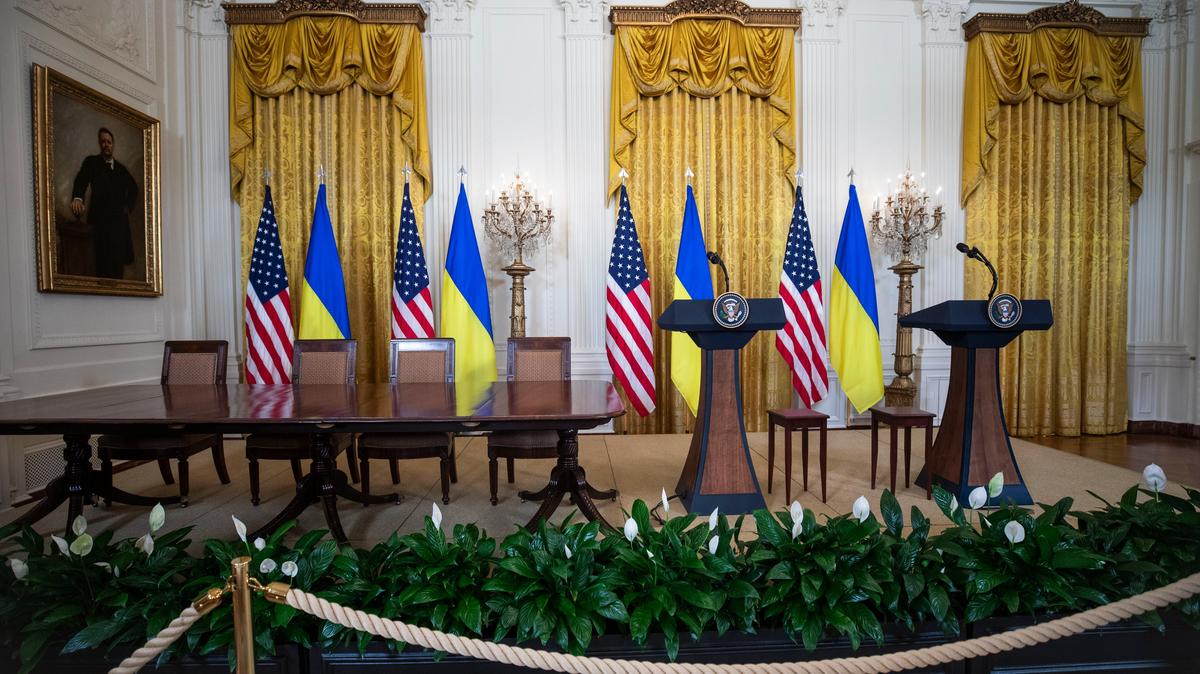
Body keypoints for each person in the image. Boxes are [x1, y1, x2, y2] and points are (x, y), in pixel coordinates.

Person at [70, 127, 138, 279]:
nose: (106, 145)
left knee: (117, 270)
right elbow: (81, 180)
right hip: (99, 223)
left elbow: (134, 189)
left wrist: (127, 207)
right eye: (103, 142)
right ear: (100, 144)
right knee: (99, 267)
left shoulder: (121, 169)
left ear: (113, 145)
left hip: (119, 226)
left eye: (109, 142)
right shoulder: (91, 162)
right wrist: (78, 198)